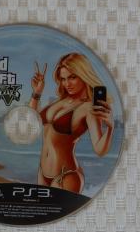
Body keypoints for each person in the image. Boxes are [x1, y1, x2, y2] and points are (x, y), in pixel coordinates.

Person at [29, 53, 114, 192]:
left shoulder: (88, 108)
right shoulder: (60, 101)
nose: (67, 84)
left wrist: (110, 128)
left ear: (83, 75)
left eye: (72, 77)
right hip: (43, 173)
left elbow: (99, 150)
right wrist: (37, 93)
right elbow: (33, 121)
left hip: (66, 176)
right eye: (63, 79)